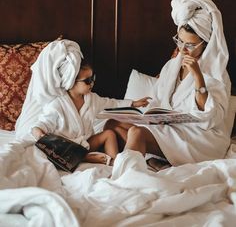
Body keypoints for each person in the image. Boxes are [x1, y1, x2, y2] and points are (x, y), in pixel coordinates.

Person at [104, 0, 235, 169]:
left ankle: (125, 177)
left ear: (206, 43)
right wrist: (149, 117)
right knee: (112, 124)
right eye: (179, 41)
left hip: (199, 135)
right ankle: (155, 159)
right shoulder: (172, 65)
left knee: (136, 133)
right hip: (169, 127)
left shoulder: (217, 72)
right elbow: (158, 100)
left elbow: (210, 119)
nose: (182, 49)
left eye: (189, 45)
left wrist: (198, 76)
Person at [15, 39, 149, 165]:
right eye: (87, 81)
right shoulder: (57, 104)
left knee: (109, 133)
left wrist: (133, 103)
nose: (92, 83)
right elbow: (43, 124)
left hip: (86, 143)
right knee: (59, 147)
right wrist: (39, 131)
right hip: (67, 148)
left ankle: (114, 162)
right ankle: (84, 158)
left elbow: (110, 103)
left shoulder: (92, 99)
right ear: (71, 81)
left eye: (93, 78)